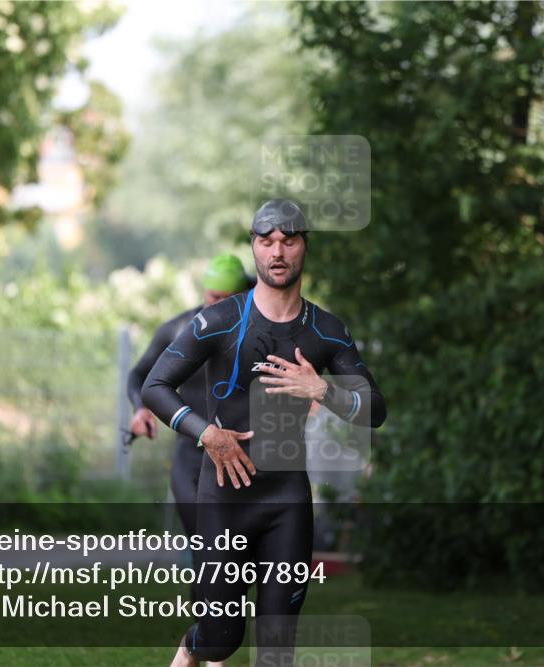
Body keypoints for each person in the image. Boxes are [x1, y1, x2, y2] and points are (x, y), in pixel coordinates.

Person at [141, 199, 386, 667]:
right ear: (254, 247)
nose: (277, 251)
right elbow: (155, 386)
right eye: (266, 241)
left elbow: (376, 409)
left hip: (287, 500)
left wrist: (324, 389)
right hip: (224, 498)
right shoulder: (220, 320)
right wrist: (206, 434)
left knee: (277, 648)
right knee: (219, 639)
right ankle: (190, 650)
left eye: (288, 240)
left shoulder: (326, 330)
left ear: (303, 248)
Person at [127, 253, 252, 538]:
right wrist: (140, 408)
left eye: (229, 298)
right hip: (191, 458)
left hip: (242, 457)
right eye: (213, 297)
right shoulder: (180, 329)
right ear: (204, 292)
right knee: (206, 553)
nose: (219, 305)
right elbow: (139, 375)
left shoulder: (257, 331)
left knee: (239, 557)